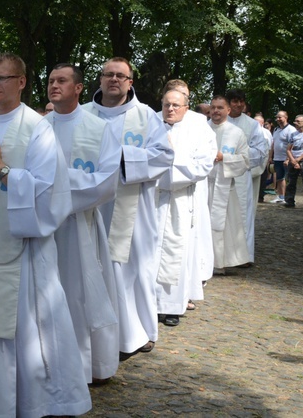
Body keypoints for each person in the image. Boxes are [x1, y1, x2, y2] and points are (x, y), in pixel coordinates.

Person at [0, 52, 91, 417]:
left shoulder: (38, 128)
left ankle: (31, 402)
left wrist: (1, 168)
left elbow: (49, 193)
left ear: (22, 82)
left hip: (21, 251)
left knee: (25, 333)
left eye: (2, 78)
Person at [81, 57, 173, 358]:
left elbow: (163, 155)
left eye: (121, 76)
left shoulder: (146, 116)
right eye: (109, 74)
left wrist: (119, 157)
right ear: (100, 79)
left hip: (132, 206)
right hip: (89, 206)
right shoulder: (82, 114)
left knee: (134, 266)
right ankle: (94, 333)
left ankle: (139, 331)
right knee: (91, 265)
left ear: (130, 82)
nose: (114, 80)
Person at [46, 63, 120, 384]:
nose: (54, 85)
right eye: (50, 81)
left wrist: (54, 185)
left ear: (78, 88)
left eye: (62, 80)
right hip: (41, 226)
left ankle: (86, 366)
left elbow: (105, 182)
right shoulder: (37, 126)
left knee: (78, 294)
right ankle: (48, 363)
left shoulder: (99, 128)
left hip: (79, 227)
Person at [155, 84, 216, 327]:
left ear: (186, 107)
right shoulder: (152, 125)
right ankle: (150, 304)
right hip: (152, 201)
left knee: (176, 252)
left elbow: (204, 163)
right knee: (151, 254)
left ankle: (172, 307)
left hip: (180, 199)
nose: (170, 109)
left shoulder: (198, 128)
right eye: (166, 105)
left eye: (175, 105)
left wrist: (167, 169)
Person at [207, 96, 250, 272]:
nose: (216, 111)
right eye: (213, 107)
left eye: (220, 108)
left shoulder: (236, 133)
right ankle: (203, 263)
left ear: (228, 110)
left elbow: (246, 160)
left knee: (225, 225)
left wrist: (224, 157)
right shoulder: (201, 129)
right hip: (203, 185)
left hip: (226, 186)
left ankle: (222, 263)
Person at [225, 89, 269, 264]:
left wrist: (237, 154)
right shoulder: (217, 121)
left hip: (242, 176)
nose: (238, 104)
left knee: (244, 214)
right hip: (221, 175)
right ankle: (223, 256)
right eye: (234, 101)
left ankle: (245, 256)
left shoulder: (252, 125)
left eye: (241, 101)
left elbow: (260, 151)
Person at [271, 111, 295, 204]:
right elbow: (273, 144)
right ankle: (281, 197)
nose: (278, 119)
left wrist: (288, 159)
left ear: (286, 117)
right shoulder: (276, 129)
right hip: (277, 158)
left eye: (280, 117)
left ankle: (286, 197)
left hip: (286, 158)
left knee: (285, 178)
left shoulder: (291, 130)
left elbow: (292, 145)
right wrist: (271, 157)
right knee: (279, 178)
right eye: (277, 117)